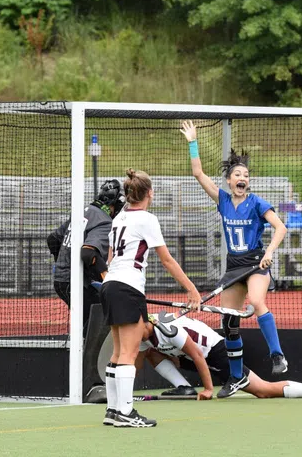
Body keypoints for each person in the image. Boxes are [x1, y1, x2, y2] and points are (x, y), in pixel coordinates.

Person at [180, 120, 289, 400]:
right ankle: (238, 376)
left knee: (255, 302)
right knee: (229, 323)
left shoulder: (258, 203)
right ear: (229, 180)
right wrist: (193, 142)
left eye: (246, 175)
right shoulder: (223, 200)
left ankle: (277, 355)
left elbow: (281, 228)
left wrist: (268, 253)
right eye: (237, 174)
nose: (243, 178)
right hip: (234, 267)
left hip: (255, 264)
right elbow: (197, 173)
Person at [101, 168, 201, 428]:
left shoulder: (118, 219)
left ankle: (113, 411)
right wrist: (191, 288)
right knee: (129, 352)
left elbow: (111, 256)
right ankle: (125, 413)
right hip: (128, 287)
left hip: (111, 284)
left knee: (118, 351)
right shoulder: (147, 219)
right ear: (149, 193)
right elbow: (166, 259)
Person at [141, 313, 302, 401]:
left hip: (215, 353)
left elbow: (198, 356)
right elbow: (134, 360)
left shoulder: (168, 329)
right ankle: (184, 388)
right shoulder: (143, 332)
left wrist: (208, 389)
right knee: (149, 351)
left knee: (263, 390)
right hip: (192, 356)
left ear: (144, 323)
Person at [48, 179, 126, 333]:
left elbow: (53, 239)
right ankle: (87, 356)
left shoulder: (83, 211)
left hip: (61, 281)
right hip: (75, 283)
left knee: (87, 319)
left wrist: (62, 263)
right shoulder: (105, 222)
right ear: (115, 205)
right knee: (99, 318)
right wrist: (107, 279)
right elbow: (88, 253)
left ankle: (81, 351)